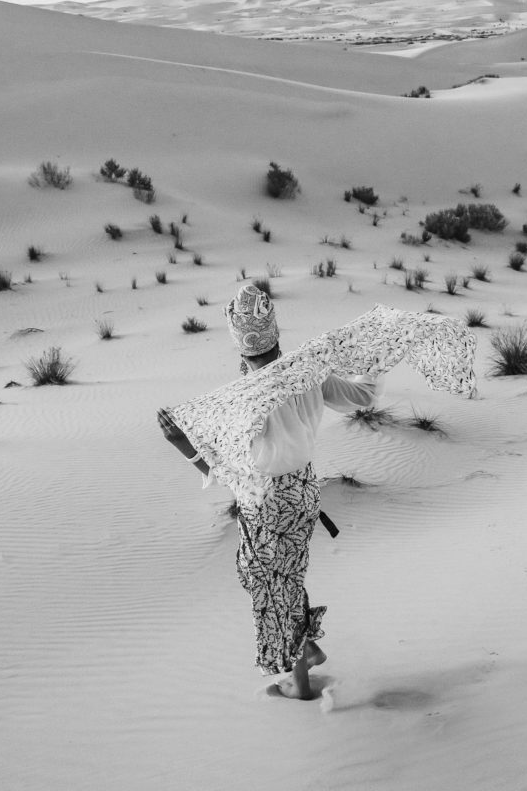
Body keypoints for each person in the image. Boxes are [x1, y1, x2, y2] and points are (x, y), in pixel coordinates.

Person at [157, 283, 378, 700]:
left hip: (268, 502)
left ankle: (300, 678)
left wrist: (182, 447)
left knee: (269, 587)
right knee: (283, 581)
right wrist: (373, 359)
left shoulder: (242, 402)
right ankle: (305, 651)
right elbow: (364, 395)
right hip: (306, 492)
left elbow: (227, 473)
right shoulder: (308, 371)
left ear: (239, 346)